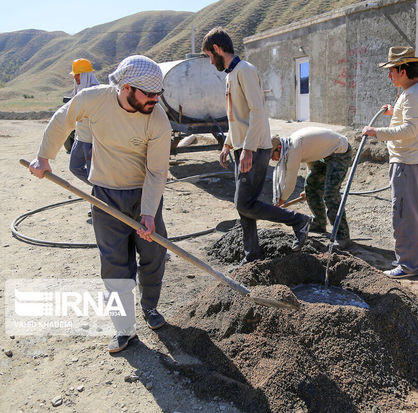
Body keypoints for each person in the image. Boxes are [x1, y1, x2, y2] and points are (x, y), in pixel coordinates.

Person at [29, 55, 172, 354]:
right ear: (126, 88)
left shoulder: (158, 119)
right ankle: (124, 329)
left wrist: (148, 213)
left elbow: (157, 172)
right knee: (115, 264)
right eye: (148, 94)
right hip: (105, 196)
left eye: (158, 94)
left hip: (144, 194)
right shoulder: (94, 100)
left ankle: (150, 308)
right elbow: (63, 118)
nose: (154, 100)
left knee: (153, 255)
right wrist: (44, 157)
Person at [202, 27, 311, 264]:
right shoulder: (231, 75)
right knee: (245, 205)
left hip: (256, 148)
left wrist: (249, 149)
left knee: (244, 203)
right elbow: (237, 118)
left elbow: (257, 112)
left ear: (218, 49)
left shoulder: (245, 71)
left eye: (210, 56)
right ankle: (251, 254)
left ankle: (298, 221)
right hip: (243, 147)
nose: (211, 62)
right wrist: (228, 145)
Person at [362, 46, 418, 279]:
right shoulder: (413, 92)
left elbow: (410, 129)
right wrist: (395, 112)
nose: (388, 75)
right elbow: (411, 118)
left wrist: (376, 132)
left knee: (403, 213)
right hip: (414, 160)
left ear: (403, 70)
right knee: (414, 212)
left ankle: (408, 264)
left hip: (407, 161)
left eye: (391, 70)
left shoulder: (413, 94)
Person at [271, 127, 353, 249]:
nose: (272, 159)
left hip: (339, 151)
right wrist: (312, 186)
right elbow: (311, 157)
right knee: (310, 187)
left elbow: (290, 180)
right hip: (324, 154)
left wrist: (281, 201)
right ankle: (319, 222)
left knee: (330, 194)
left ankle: (343, 236)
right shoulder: (289, 145)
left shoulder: (293, 147)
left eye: (272, 155)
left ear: (278, 148)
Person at [67, 58, 99, 185]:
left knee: (94, 173)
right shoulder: (79, 91)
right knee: (74, 167)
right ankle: (99, 187)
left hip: (91, 141)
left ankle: (99, 193)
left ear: (86, 74)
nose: (75, 77)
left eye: (77, 74)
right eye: (74, 74)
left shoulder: (97, 91)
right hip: (80, 138)